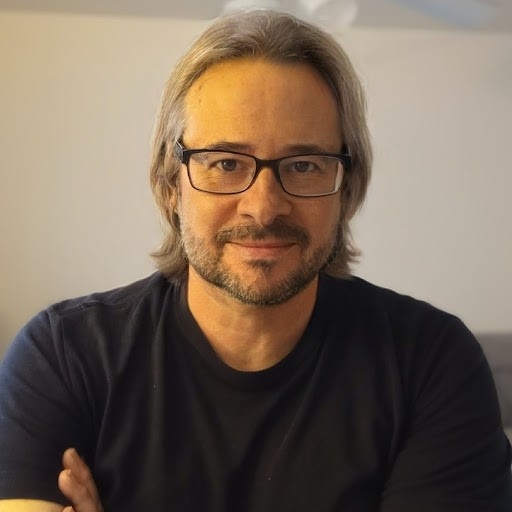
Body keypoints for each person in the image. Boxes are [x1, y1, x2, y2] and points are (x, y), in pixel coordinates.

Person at [0, 8, 510, 512]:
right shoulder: (62, 357)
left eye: (304, 165)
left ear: (346, 187)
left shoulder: (430, 363)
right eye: (225, 162)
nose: (264, 207)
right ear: (170, 184)